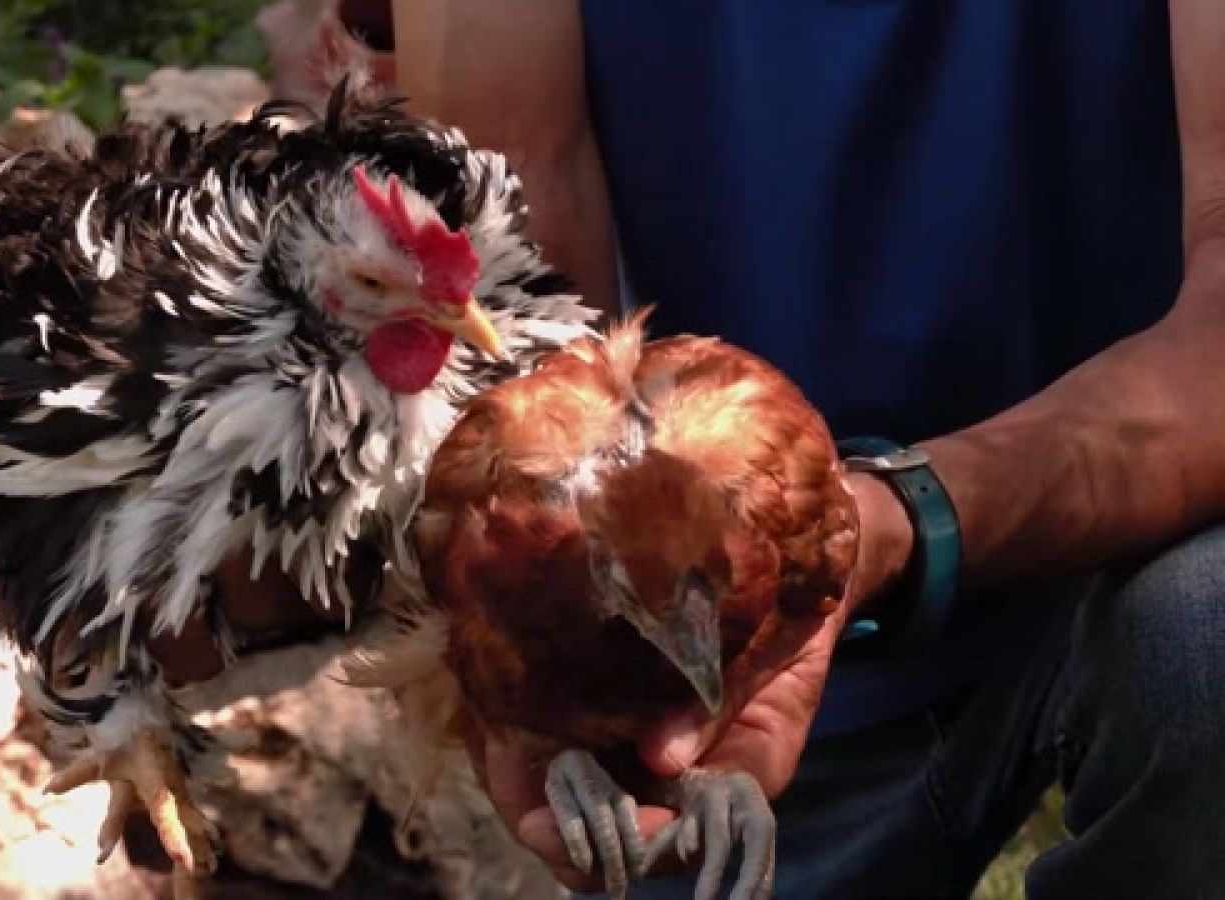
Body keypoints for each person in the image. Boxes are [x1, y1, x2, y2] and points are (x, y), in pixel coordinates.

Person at [375, 1, 1225, 897]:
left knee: (1207, 642)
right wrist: (553, 633)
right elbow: (513, 295)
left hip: (1150, 519)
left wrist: (895, 524)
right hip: (732, 635)